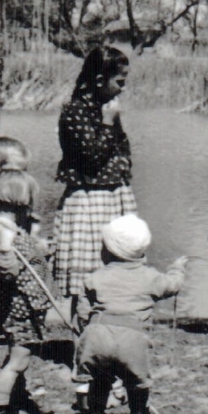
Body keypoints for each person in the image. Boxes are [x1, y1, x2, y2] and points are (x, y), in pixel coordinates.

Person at [76, 213, 187, 414]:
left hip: (98, 334)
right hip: (132, 338)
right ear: (142, 252)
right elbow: (173, 285)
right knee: (137, 382)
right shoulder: (150, 277)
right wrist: (177, 269)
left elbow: (82, 311)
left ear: (106, 251)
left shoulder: (95, 277)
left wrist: (84, 328)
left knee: (99, 377)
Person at [53, 45, 135, 323]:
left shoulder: (107, 111)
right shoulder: (75, 113)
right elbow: (91, 158)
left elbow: (122, 149)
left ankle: (106, 338)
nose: (123, 88)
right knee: (86, 277)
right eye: (119, 82)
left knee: (113, 270)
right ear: (100, 81)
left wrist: (123, 168)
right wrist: (107, 124)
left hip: (112, 198)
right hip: (87, 201)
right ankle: (83, 343)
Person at [0, 137, 55, 414]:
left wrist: (40, 249)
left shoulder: (13, 227)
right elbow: (6, 268)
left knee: (19, 359)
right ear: (20, 201)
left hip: (27, 308)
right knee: (17, 361)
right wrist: (8, 252)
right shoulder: (2, 231)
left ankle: (14, 403)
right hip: (18, 310)